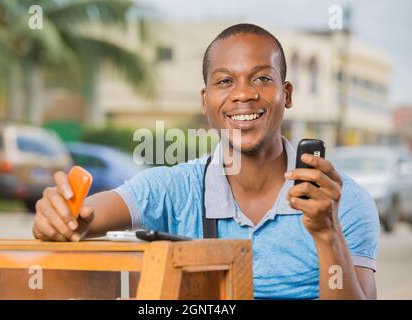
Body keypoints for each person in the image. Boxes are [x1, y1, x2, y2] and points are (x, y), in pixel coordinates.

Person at [32, 23, 379, 299]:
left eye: (261, 78)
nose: (243, 94)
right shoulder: (176, 188)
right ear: (206, 100)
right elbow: (92, 216)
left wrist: (327, 233)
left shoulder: (346, 203)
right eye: (225, 81)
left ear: (286, 94)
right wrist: (62, 218)